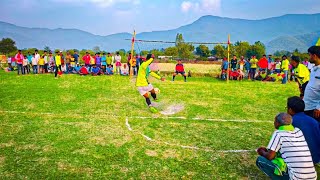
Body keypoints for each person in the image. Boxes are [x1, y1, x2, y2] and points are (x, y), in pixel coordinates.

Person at [256, 113, 317, 179]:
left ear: (277, 123)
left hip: (296, 178)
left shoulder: (278, 133)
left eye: (274, 121)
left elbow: (270, 156)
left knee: (260, 160)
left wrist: (262, 152)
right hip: (313, 177)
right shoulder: (298, 131)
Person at [286, 96, 320, 165]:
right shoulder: (314, 121)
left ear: (290, 110)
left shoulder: (291, 123)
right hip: (317, 158)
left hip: (304, 160)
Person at [304, 46, 320, 122]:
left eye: (309, 55)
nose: (309, 57)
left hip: (315, 109)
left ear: (314, 56)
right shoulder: (314, 69)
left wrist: (319, 107)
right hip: (308, 105)